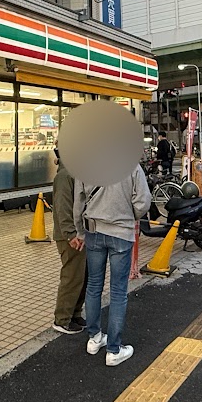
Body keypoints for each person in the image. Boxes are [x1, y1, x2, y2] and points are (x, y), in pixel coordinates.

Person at [76, 162, 151, 367]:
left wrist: (79, 231)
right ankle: (114, 350)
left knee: (93, 286)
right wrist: (129, 216)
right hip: (121, 232)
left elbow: (78, 202)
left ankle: (94, 339)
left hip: (94, 231)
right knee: (118, 291)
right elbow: (143, 201)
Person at [50, 150, 86, 334]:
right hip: (69, 237)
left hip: (79, 234)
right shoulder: (64, 176)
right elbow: (63, 207)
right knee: (72, 277)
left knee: (81, 276)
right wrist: (71, 234)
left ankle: (75, 313)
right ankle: (62, 319)